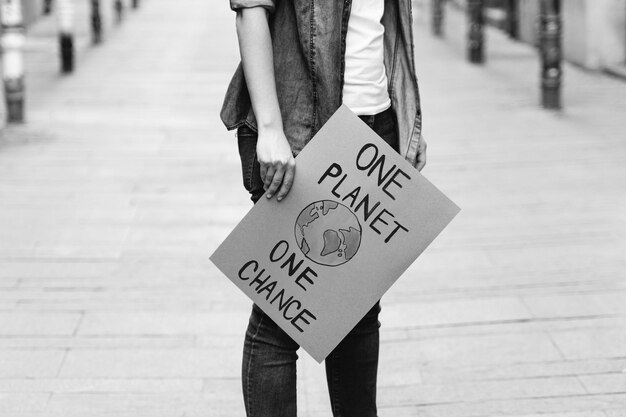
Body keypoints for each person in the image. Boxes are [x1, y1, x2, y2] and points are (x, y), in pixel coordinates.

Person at [220, 1, 427, 416]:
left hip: (375, 125)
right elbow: (250, 11)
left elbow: (386, 28)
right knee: (280, 319)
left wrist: (408, 121)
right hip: (299, 130)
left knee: (359, 310)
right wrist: (272, 128)